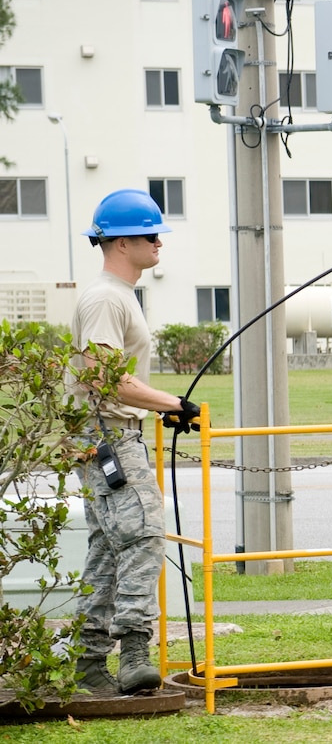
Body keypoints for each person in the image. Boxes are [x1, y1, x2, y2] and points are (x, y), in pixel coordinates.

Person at [67, 188, 201, 696]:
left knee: (108, 548)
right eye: (151, 235)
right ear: (121, 243)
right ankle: (134, 655)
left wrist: (161, 406)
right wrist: (172, 402)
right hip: (108, 437)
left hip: (109, 435)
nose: (159, 243)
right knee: (145, 535)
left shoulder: (118, 296)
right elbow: (106, 381)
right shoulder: (105, 297)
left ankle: (89, 666)